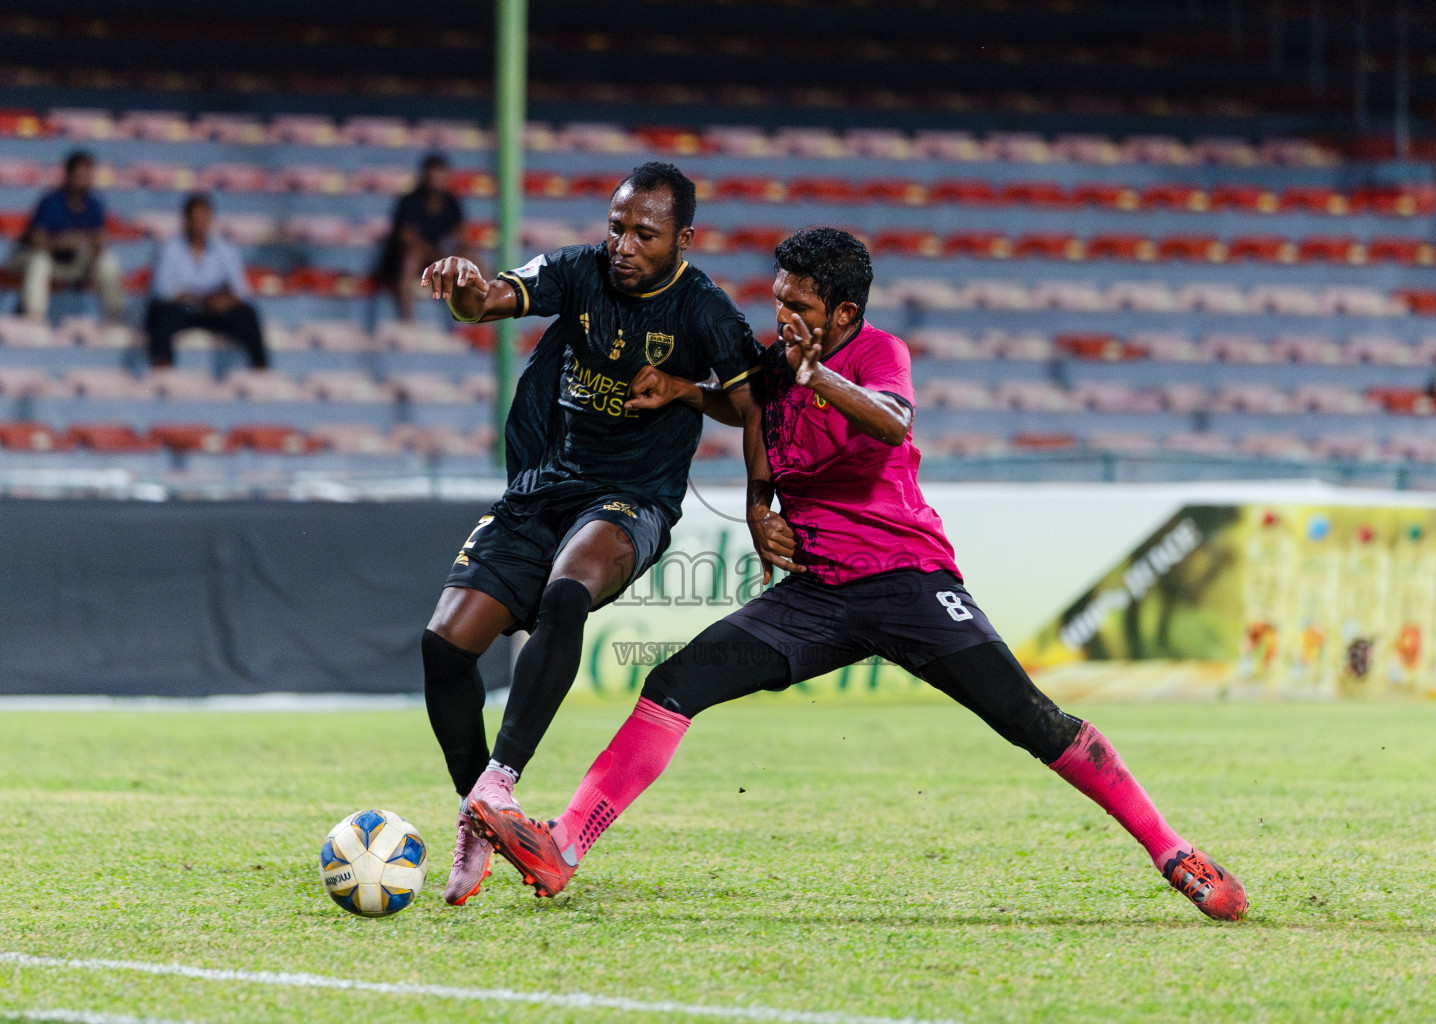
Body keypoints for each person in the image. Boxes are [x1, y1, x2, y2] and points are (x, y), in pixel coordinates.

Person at [466, 228, 1248, 922]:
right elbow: (749, 410)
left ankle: (1171, 849)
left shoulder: (876, 353)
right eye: (778, 299)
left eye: (798, 305)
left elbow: (893, 420)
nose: (782, 315)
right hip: (816, 594)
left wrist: (817, 378)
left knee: (1032, 721)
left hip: (908, 582)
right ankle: (564, 844)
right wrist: (712, 432)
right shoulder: (778, 363)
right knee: (674, 683)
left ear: (843, 313)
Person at [418, 161, 786, 907]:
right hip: (542, 488)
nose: (624, 245)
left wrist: (695, 407)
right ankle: (478, 812)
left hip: (632, 499)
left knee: (566, 592)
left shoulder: (705, 311)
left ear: (683, 239)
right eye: (616, 227)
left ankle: (501, 780)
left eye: (645, 233)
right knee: (443, 646)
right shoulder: (578, 271)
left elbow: (753, 408)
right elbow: (484, 302)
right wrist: (461, 286)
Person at [145, 193, 267, 369]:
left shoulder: (225, 249)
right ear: (186, 220)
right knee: (161, 314)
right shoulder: (170, 249)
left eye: (204, 218)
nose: (200, 224)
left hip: (214, 311)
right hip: (185, 310)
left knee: (247, 314)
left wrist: (224, 300)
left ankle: (260, 368)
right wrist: (197, 299)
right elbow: (163, 291)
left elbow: (241, 290)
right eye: (196, 218)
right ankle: (162, 368)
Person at [12, 150, 123, 323]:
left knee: (107, 262)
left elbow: (99, 239)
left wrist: (94, 247)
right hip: (45, 258)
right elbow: (35, 239)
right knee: (39, 261)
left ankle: (115, 317)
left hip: (75, 264)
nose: (83, 180)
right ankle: (34, 317)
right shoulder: (51, 201)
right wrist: (61, 243)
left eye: (87, 176)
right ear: (68, 175)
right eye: (79, 175)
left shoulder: (95, 205)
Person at [377, 154, 465, 321]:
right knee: (412, 257)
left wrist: (452, 252)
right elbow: (406, 237)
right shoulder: (410, 201)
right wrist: (435, 254)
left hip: (438, 258)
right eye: (432, 176)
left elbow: (459, 234)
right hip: (405, 261)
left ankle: (485, 317)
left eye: (440, 176)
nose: (436, 181)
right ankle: (407, 318)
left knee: (471, 257)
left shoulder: (451, 202)